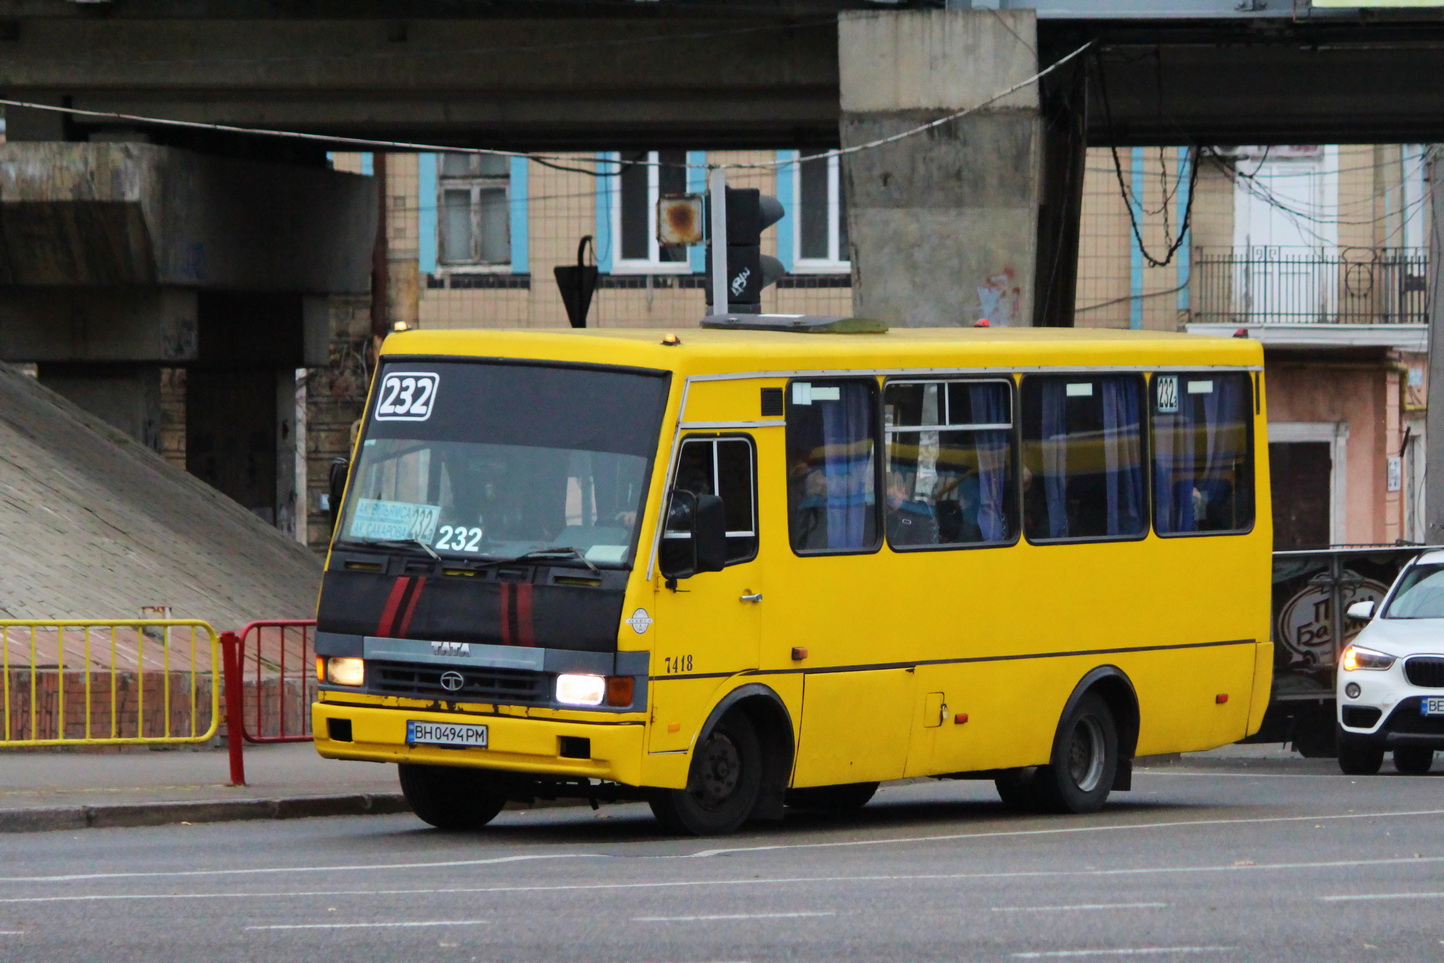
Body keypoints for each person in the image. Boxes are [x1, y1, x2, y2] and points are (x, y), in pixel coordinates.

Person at [885, 471, 937, 547]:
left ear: (903, 491)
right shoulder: (875, 514)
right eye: (886, 498)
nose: (888, 503)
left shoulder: (918, 516)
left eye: (892, 497)